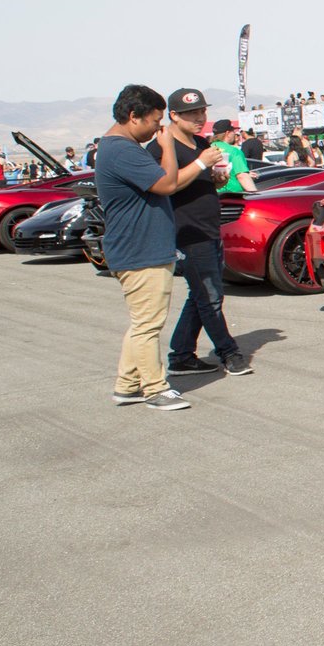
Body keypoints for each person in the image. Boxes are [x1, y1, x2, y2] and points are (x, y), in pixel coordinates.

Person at [95, 84, 204, 411]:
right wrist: (167, 146)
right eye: (156, 121)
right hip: (139, 250)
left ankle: (127, 385)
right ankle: (154, 388)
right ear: (133, 117)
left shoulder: (118, 148)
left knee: (143, 321)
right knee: (148, 325)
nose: (159, 127)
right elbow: (167, 183)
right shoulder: (122, 150)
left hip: (139, 248)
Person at [154, 90, 250, 378]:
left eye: (202, 112)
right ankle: (228, 352)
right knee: (209, 297)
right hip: (187, 232)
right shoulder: (163, 145)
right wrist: (200, 164)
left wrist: (215, 177)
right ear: (173, 115)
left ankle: (181, 355)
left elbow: (201, 179)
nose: (199, 118)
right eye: (192, 113)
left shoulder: (199, 143)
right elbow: (165, 184)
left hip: (208, 227)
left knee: (200, 296)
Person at [211, 121, 257, 193]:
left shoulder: (207, 149)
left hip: (213, 194)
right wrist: (255, 195)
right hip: (232, 195)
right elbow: (242, 176)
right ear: (227, 133)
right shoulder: (233, 151)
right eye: (233, 131)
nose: (234, 134)